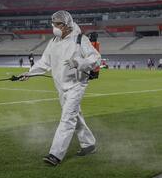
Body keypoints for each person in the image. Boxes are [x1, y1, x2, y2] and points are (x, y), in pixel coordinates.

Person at [19, 10, 101, 166]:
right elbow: (44, 63)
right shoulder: (53, 42)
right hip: (61, 87)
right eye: (53, 24)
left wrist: (79, 63)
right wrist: (29, 73)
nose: (54, 27)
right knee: (75, 116)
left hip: (77, 85)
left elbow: (96, 59)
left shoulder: (80, 39)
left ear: (66, 24)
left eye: (57, 24)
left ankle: (55, 154)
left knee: (67, 118)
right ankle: (89, 144)